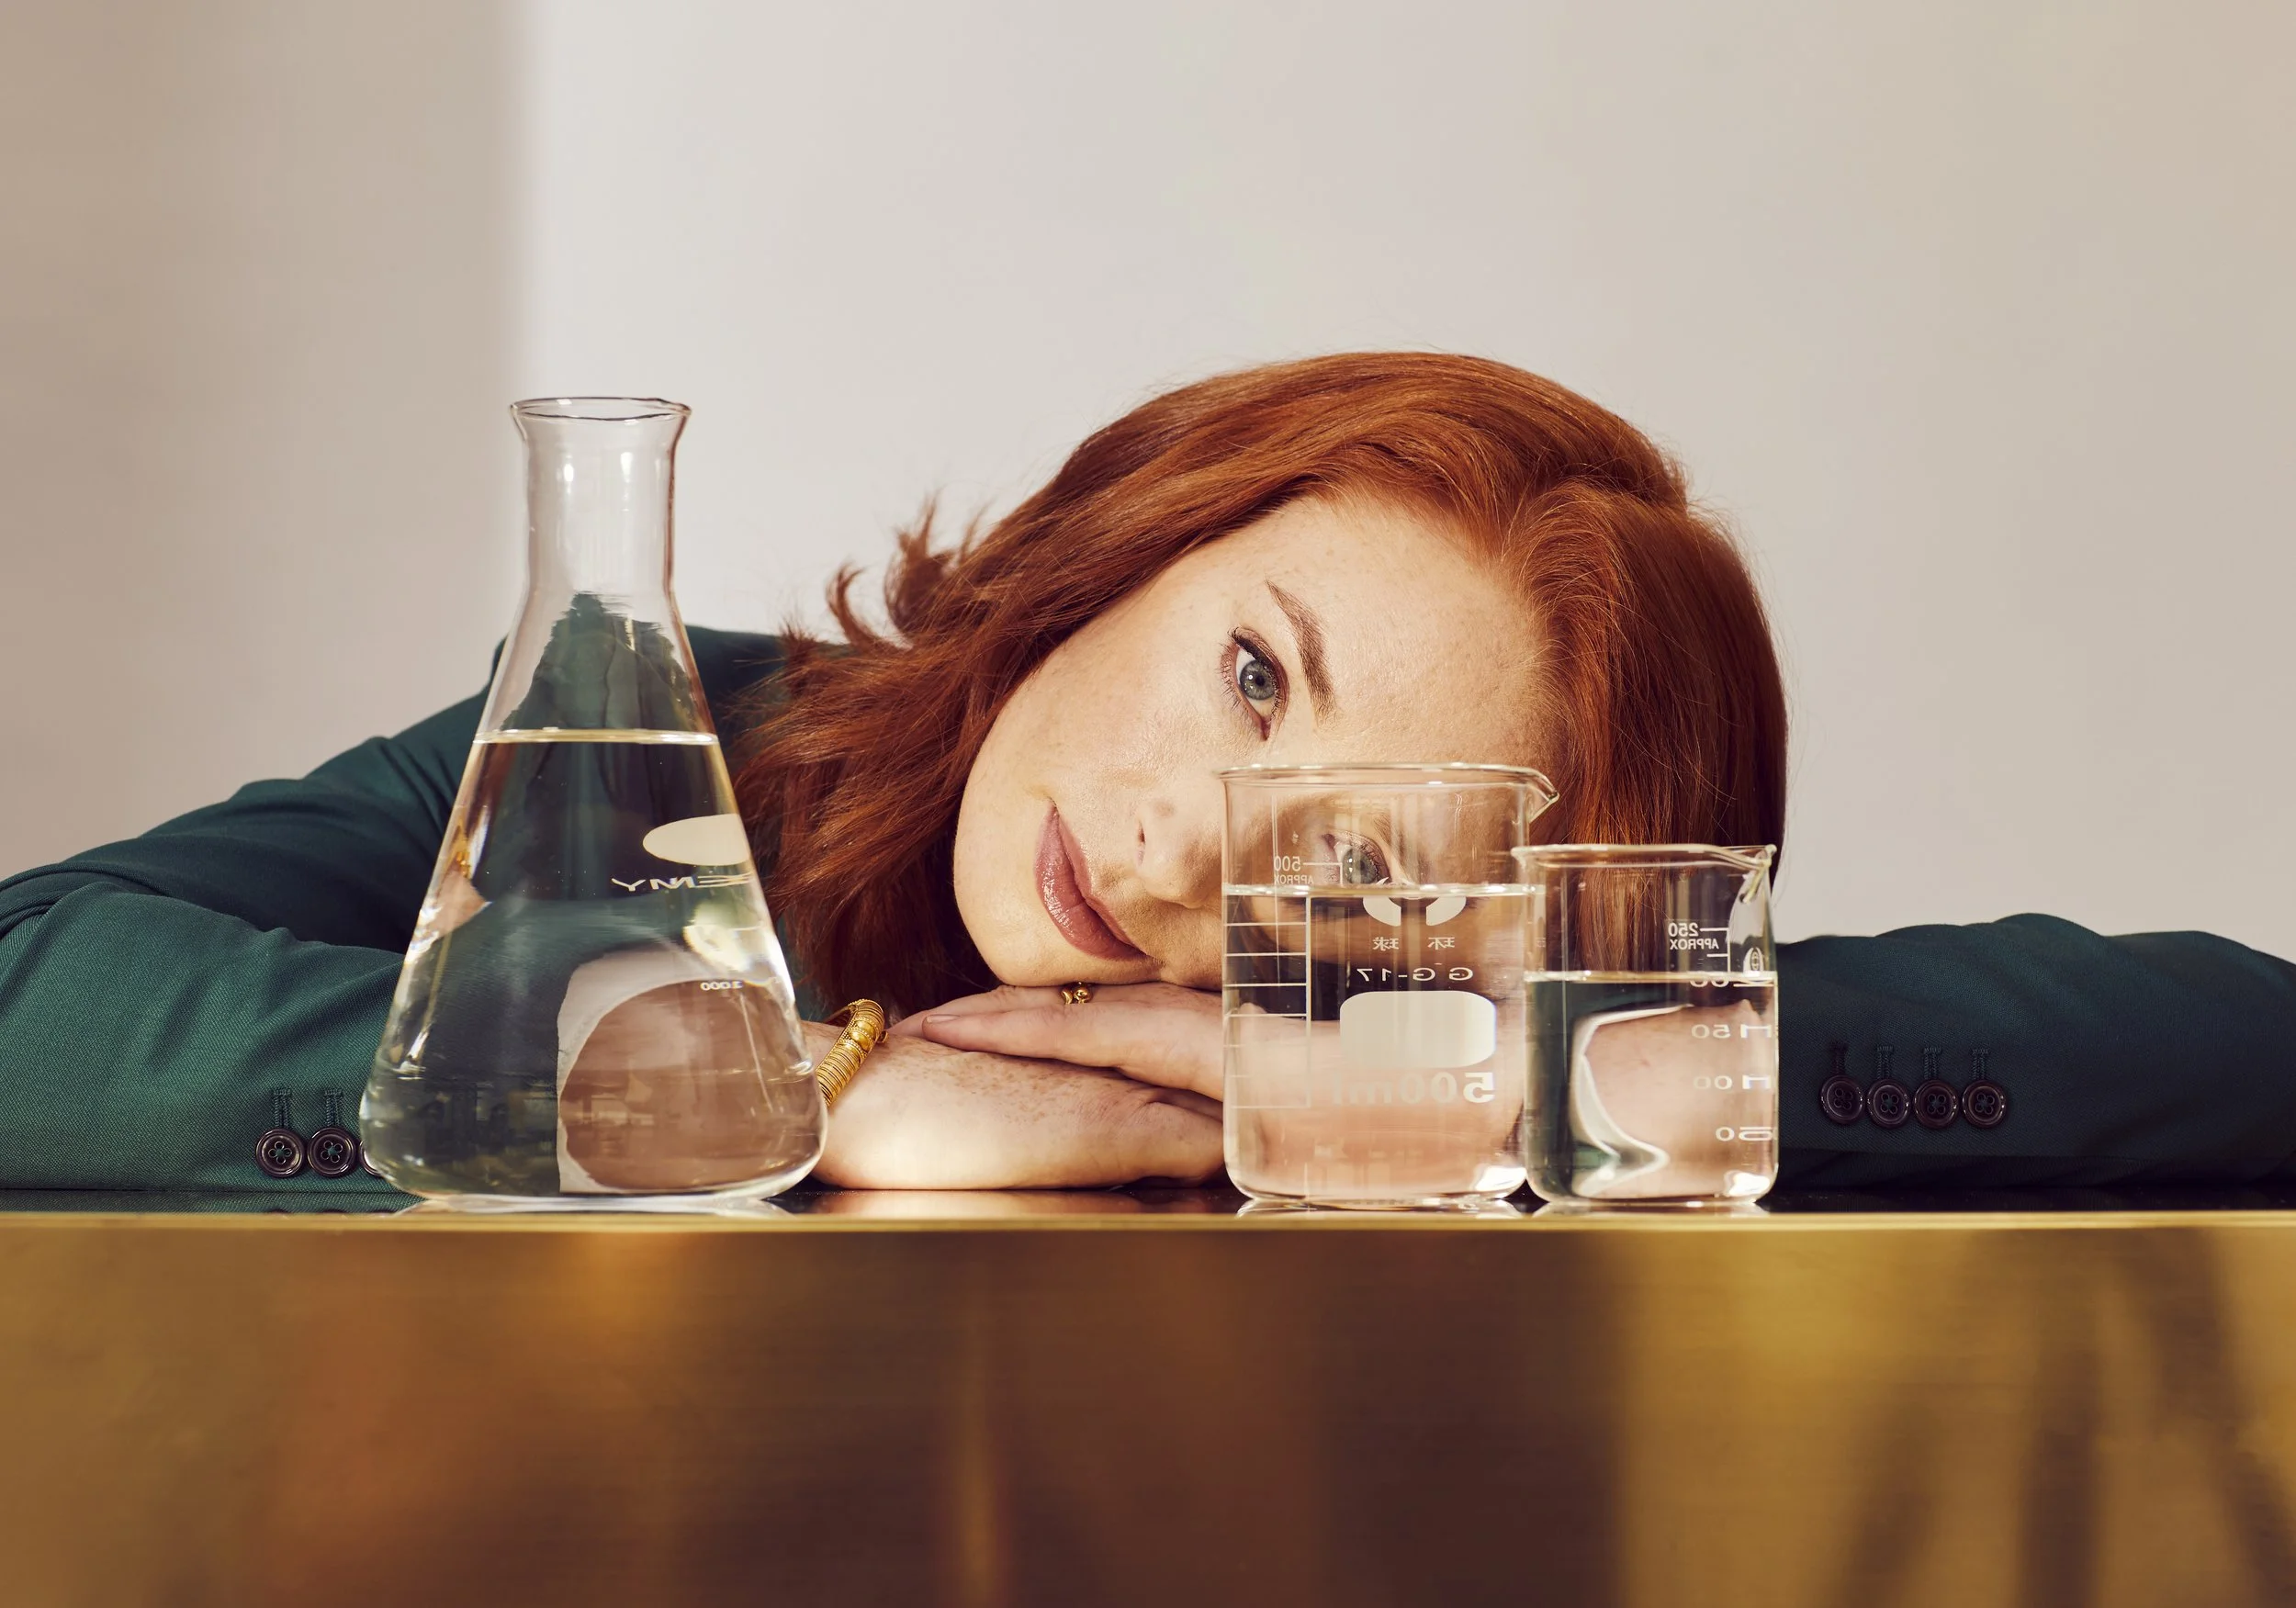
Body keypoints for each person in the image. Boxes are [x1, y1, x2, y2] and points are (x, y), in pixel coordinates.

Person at [2, 353, 2290, 1195]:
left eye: (1353, 848)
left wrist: (1549, 1058)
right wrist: (774, 1096)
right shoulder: (677, 739)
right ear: (1123, 548)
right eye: (1251, 678)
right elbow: (37, 991)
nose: (1201, 839)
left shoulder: (1428, 1053)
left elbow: (2246, 1050)